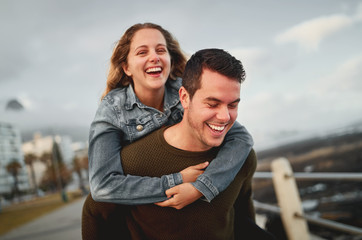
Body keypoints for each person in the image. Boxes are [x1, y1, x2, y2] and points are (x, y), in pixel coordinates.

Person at [82, 23, 254, 239]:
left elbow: (241, 138)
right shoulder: (112, 110)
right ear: (126, 67)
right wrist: (176, 180)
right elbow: (102, 186)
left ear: (170, 61)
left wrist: (201, 187)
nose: (154, 57)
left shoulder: (182, 90)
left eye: (161, 50)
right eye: (142, 52)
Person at [109, 48, 274, 239]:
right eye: (212, 104)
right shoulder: (131, 161)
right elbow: (95, 215)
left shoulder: (243, 157)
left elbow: (243, 219)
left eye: (232, 105)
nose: (224, 117)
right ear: (185, 98)